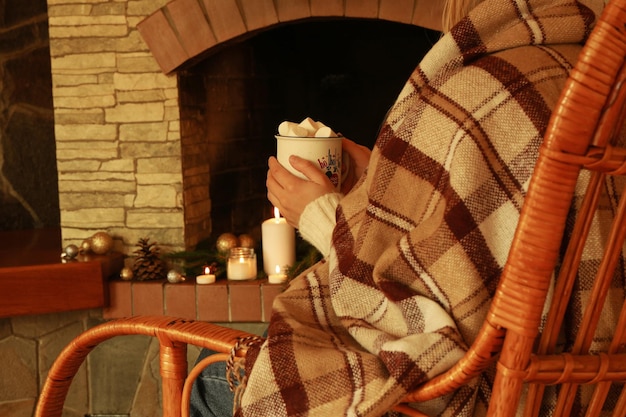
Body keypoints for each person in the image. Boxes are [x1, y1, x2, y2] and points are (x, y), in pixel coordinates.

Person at [191, 0, 616, 415]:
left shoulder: (477, 90)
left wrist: (325, 218)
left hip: (489, 391)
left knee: (208, 380)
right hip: (592, 388)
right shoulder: (598, 87)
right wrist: (384, 179)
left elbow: (414, 318)